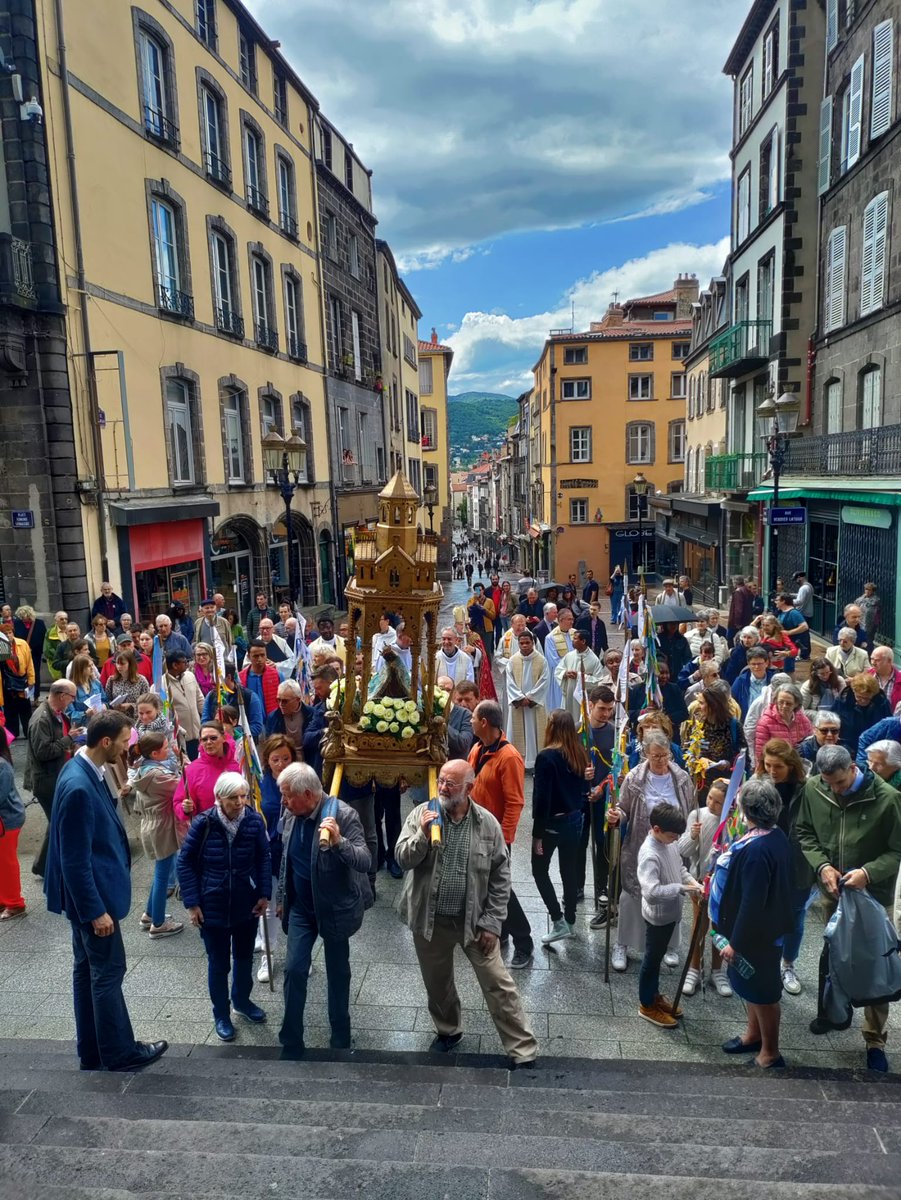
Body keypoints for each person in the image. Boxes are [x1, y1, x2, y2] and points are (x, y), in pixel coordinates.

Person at [44, 710, 168, 1071]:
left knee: (87, 969)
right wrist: (95, 910)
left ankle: (93, 1051)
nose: (128, 747)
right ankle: (119, 1053)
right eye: (125, 741)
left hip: (88, 896)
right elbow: (74, 859)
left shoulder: (83, 767)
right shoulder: (80, 786)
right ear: (105, 742)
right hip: (93, 899)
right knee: (108, 972)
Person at [396, 758, 538, 1064]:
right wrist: (422, 834)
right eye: (442, 782)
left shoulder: (487, 823)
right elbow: (402, 859)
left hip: (474, 922)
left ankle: (522, 1049)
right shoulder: (423, 814)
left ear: (469, 788)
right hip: (429, 919)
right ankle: (449, 1031)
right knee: (438, 982)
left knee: (499, 984)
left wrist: (492, 922)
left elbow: (501, 877)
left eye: (451, 783)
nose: (443, 788)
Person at [796, 744, 901, 1071]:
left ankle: (874, 1038)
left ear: (854, 767)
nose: (835, 790)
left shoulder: (887, 799)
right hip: (834, 892)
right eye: (829, 784)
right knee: (833, 956)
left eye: (840, 783)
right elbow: (805, 832)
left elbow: (897, 851)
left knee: (875, 965)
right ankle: (832, 1013)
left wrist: (868, 873)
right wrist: (822, 866)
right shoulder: (815, 788)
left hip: (872, 897)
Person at [276, 762, 371, 1057]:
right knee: (294, 969)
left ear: (307, 794)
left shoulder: (344, 814)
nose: (283, 801)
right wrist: (282, 896)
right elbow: (286, 859)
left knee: (338, 972)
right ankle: (291, 1040)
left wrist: (340, 841)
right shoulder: (292, 812)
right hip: (301, 908)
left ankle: (340, 1033)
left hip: (334, 908)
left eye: (288, 795)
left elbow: (366, 861)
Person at [178, 772, 271, 1042]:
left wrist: (264, 892)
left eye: (243, 796)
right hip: (212, 904)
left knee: (244, 958)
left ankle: (241, 1001)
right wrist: (192, 903)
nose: (240, 802)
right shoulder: (203, 823)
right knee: (218, 964)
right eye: (233, 798)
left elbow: (263, 857)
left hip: (246, 902)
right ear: (219, 798)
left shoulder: (253, 821)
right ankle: (221, 1014)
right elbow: (185, 862)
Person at [717, 777, 795, 1069]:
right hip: (761, 930)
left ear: (746, 812)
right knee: (749, 987)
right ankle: (753, 1034)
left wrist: (735, 942)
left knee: (763, 993)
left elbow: (752, 902)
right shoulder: (774, 836)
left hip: (757, 936)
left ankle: (770, 1053)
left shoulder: (757, 850)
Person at [607, 731, 695, 972]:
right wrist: (616, 815)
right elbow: (623, 808)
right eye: (655, 756)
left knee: (671, 895)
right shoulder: (634, 778)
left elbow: (690, 809)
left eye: (665, 755)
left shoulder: (682, 779)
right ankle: (623, 944)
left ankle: (671, 946)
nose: (660, 760)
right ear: (645, 753)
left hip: (673, 846)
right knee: (633, 894)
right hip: (641, 845)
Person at [469, 700, 534, 969]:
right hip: (476, 829)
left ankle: (524, 941)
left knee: (501, 889)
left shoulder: (509, 757)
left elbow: (515, 802)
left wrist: (504, 838)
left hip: (495, 836)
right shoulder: (478, 748)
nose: (470, 721)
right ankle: (502, 932)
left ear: (484, 722)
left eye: (473, 717)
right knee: (488, 886)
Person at [756, 739, 813, 996]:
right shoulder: (759, 784)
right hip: (766, 861)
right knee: (763, 911)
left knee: (795, 916)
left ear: (791, 765)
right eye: (767, 765)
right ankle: (765, 960)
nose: (771, 771)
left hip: (797, 862)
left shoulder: (806, 788)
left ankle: (788, 963)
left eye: (777, 766)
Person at [637, 803, 702, 1028]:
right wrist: (681, 889)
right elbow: (651, 893)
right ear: (656, 829)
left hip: (670, 913)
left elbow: (680, 869)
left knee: (656, 959)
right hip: (657, 916)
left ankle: (654, 996)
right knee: (652, 961)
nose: (676, 839)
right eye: (672, 835)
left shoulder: (669, 843)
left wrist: (693, 883)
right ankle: (646, 1004)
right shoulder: (649, 854)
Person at [531, 711, 590, 944]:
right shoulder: (578, 753)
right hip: (575, 819)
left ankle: (557, 920)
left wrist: (537, 834)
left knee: (539, 870)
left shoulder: (547, 757)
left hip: (552, 824)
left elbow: (542, 799)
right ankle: (571, 921)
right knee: (569, 871)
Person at [124, 732, 183, 940]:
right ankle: (158, 923)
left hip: (153, 824)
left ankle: (150, 914)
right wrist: (183, 759)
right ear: (155, 753)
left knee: (161, 873)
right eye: (166, 749)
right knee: (162, 876)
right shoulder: (157, 775)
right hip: (162, 827)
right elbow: (183, 786)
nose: (168, 751)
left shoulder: (146, 768)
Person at [677, 778, 730, 997]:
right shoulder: (697, 815)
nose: (712, 804)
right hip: (700, 880)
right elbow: (684, 850)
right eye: (710, 798)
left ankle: (717, 970)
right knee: (699, 925)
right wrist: (692, 836)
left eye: (718, 802)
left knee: (719, 927)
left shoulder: (733, 822)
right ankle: (693, 967)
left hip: (723, 883)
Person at [25, 680, 79, 879]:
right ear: (62, 695)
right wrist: (68, 739)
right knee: (58, 821)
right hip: (46, 780)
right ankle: (47, 866)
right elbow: (43, 752)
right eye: (72, 697)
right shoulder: (42, 719)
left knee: (56, 821)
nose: (73, 701)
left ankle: (44, 865)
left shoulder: (55, 713)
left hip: (55, 775)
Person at [255, 734, 295, 982]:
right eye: (276, 759)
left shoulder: (301, 779)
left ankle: (299, 956)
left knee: (295, 906)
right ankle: (267, 956)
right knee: (268, 907)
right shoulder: (258, 783)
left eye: (286, 758)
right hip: (267, 852)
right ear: (267, 761)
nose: (281, 764)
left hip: (293, 852)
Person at [681, 682, 747, 793]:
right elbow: (687, 749)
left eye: (702, 703)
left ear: (713, 705)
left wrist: (727, 763)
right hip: (701, 785)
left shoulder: (733, 726)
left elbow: (744, 757)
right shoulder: (697, 724)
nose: (699, 707)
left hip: (725, 786)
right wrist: (695, 760)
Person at [173, 719, 240, 823]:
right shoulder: (193, 770)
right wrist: (185, 808)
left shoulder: (239, 764)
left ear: (223, 738)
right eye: (204, 739)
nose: (209, 742)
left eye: (213, 738)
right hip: (210, 829)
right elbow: (178, 801)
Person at [504, 631, 549, 769]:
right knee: (518, 733)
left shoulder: (541, 660)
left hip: (533, 705)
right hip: (519, 704)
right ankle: (518, 761)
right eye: (521, 643)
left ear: (533, 643)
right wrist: (519, 698)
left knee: (535, 732)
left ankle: (535, 761)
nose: (524, 646)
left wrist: (530, 698)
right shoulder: (513, 660)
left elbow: (544, 680)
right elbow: (509, 681)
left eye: (527, 643)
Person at [264, 678, 324, 774]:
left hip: (309, 763)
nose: (280, 704)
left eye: (285, 701)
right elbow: (269, 745)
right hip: (284, 767)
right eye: (278, 700)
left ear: (298, 699)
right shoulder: (273, 717)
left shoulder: (312, 714)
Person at [0, 729, 26, 920]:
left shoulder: (2, 765)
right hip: (5, 818)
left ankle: (15, 903)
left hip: (7, 820)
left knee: (6, 863)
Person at [158, 651, 204, 760]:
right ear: (175, 665)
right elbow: (163, 714)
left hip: (198, 733)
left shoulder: (190, 676)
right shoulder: (161, 686)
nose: (187, 665)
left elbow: (200, 699)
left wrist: (207, 720)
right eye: (184, 662)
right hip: (180, 738)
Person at [202, 663, 265, 738]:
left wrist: (232, 733)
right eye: (211, 678)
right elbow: (205, 722)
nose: (211, 681)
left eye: (215, 678)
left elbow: (256, 726)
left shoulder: (249, 696)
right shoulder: (211, 696)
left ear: (228, 677)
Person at [554, 628, 603, 723]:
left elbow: (598, 681)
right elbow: (558, 671)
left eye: (575, 638)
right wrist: (565, 673)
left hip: (582, 699)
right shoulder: (569, 656)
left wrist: (580, 676)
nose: (572, 640)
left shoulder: (594, 660)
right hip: (569, 695)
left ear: (583, 641)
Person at [754, 682, 813, 760]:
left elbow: (810, 743)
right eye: (781, 702)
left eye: (788, 703)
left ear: (796, 704)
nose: (784, 706)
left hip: (798, 764)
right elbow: (761, 752)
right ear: (776, 701)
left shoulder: (803, 719)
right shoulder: (765, 722)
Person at [0, 615, 35, 737]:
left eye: (10, 632)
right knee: (10, 711)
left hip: (22, 681)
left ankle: (28, 732)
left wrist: (31, 680)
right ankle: (13, 733)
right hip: (7, 684)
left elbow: (30, 663)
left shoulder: (22, 643)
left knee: (25, 709)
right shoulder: (1, 647)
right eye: (5, 633)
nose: (8, 635)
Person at [543, 607, 575, 710]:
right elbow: (553, 660)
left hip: (575, 674)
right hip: (560, 676)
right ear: (561, 620)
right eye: (569, 619)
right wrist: (567, 671)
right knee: (559, 703)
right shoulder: (550, 638)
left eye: (572, 619)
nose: (572, 622)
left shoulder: (575, 634)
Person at [239, 639, 281, 717]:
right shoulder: (241, 678)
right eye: (256, 656)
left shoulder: (277, 675)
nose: (260, 659)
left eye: (262, 655)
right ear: (249, 657)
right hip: (251, 721)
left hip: (274, 721)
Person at [730, 647, 775, 720]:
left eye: (759, 664)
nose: (756, 667)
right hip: (747, 724)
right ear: (748, 664)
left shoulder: (774, 680)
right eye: (753, 664)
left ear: (766, 663)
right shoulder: (740, 681)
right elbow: (731, 703)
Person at [13, 605, 47, 699]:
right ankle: (24, 695)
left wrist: (33, 648)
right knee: (22, 673)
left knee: (35, 674)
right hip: (22, 653)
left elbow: (42, 638)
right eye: (21, 617)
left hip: (35, 653)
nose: (22, 619)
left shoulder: (39, 623)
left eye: (24, 616)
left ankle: (36, 696)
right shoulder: (17, 623)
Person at [447, 680, 478, 758]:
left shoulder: (485, 722)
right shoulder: (450, 715)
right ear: (454, 699)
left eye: (467, 700)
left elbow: (463, 743)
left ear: (477, 699)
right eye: (459, 700)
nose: (463, 704)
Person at [776, 593, 810, 662]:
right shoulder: (781, 612)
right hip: (788, 645)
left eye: (777, 600)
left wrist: (789, 632)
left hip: (795, 646)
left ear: (783, 601)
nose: (775, 602)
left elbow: (804, 626)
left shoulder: (794, 613)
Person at [868, 645, 901, 711]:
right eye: (872, 659)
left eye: (877, 660)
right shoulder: (867, 676)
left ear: (889, 661)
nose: (873, 663)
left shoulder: (899, 680)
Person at [44, 611, 70, 682]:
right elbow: (47, 650)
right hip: (57, 663)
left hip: (70, 662)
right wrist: (59, 657)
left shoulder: (72, 630)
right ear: (56, 621)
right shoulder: (50, 632)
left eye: (66, 619)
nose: (64, 621)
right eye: (61, 619)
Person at [727, 577, 754, 642]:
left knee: (730, 638)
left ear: (735, 583)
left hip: (736, 624)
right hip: (746, 620)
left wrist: (737, 623)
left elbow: (738, 610)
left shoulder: (738, 592)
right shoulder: (747, 591)